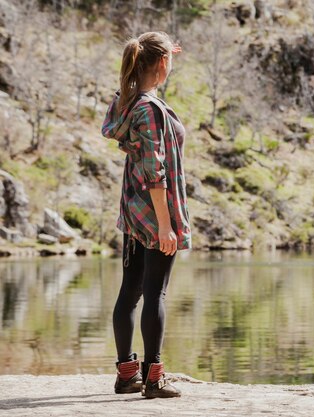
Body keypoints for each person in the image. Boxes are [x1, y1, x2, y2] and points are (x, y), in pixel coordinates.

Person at [101, 31, 191, 399]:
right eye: (169, 58)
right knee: (156, 294)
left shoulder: (129, 101)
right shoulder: (150, 110)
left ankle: (126, 375)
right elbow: (156, 170)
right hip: (155, 211)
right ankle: (153, 379)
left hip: (134, 209)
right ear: (163, 64)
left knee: (130, 293)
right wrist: (167, 224)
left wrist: (162, 51)